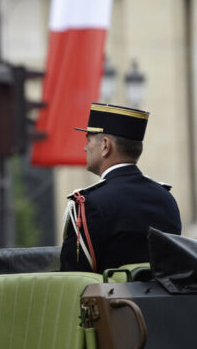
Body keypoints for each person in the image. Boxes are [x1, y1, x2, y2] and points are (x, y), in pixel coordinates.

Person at [60, 102, 182, 272]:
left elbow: (72, 276)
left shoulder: (90, 204)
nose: (84, 147)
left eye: (88, 141)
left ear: (105, 145)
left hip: (110, 299)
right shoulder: (166, 199)